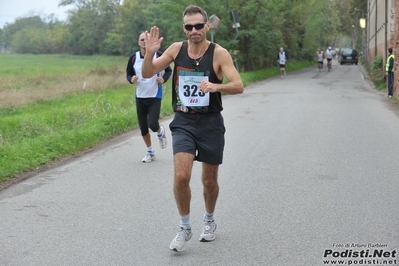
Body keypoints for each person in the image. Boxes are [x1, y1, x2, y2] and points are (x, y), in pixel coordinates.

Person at [141, 5, 244, 252]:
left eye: (199, 25)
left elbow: (238, 85)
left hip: (210, 122)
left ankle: (209, 219)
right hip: (184, 122)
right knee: (181, 176)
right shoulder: (176, 49)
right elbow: (148, 73)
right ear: (184, 28)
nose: (194, 30)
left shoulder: (219, 53)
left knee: (209, 180)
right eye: (189, 26)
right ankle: (184, 226)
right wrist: (149, 54)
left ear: (207, 26)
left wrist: (215, 87)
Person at [126, 32, 172, 163]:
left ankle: (160, 131)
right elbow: (128, 74)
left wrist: (163, 78)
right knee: (143, 126)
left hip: (154, 95)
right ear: (138, 42)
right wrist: (132, 79)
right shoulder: (134, 58)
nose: (144, 42)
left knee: (152, 124)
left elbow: (168, 70)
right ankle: (150, 151)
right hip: (140, 96)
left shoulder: (158, 55)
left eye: (147, 40)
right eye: (142, 40)